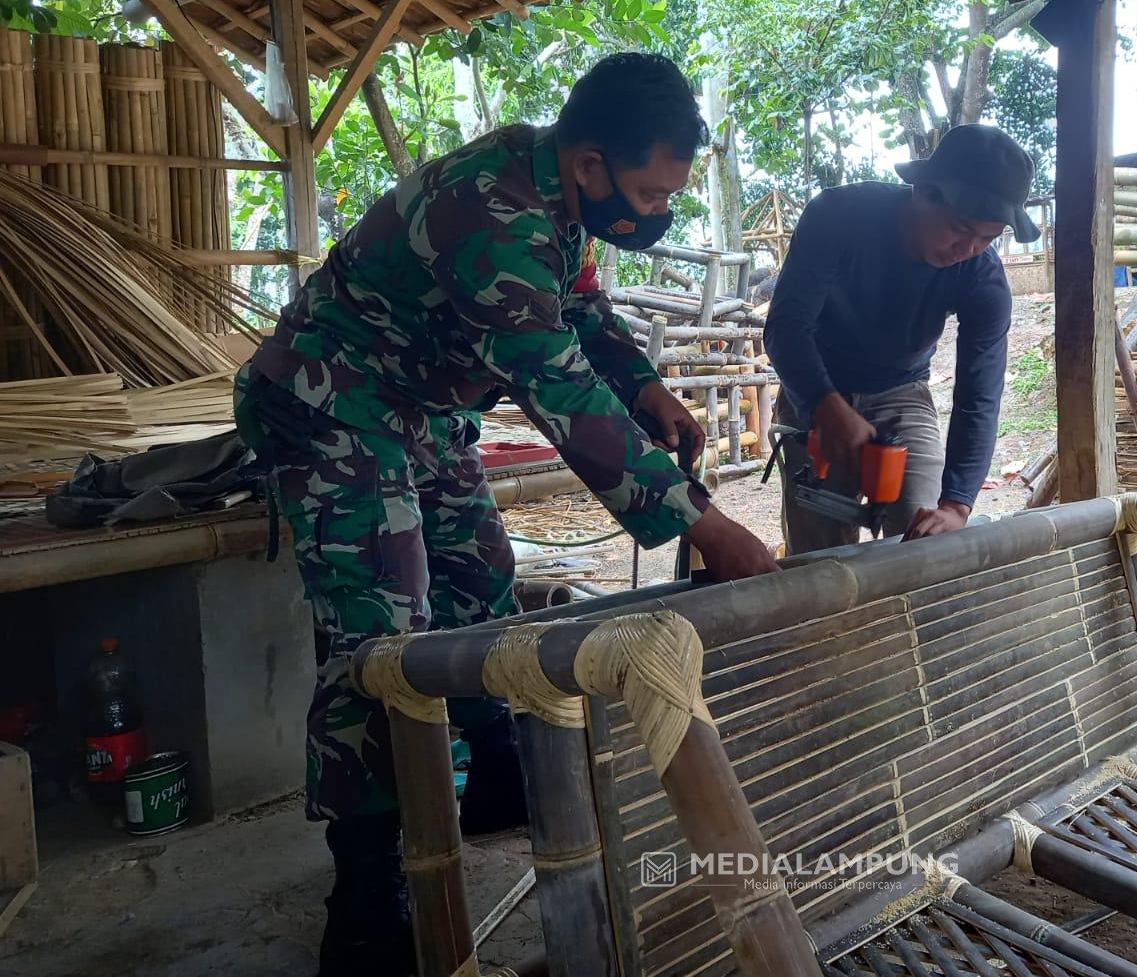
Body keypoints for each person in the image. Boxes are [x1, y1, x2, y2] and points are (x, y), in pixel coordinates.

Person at [233, 53, 773, 974]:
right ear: (592, 163)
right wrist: (704, 524)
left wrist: (644, 386)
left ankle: (489, 782)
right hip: (333, 404)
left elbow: (586, 316)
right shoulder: (488, 213)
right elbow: (556, 385)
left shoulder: (562, 196)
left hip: (421, 411)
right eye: (646, 194)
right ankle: (365, 896)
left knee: (481, 580)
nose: (655, 213)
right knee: (381, 641)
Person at [763, 123, 1036, 554]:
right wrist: (823, 405)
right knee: (816, 557)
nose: (970, 248)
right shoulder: (839, 217)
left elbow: (978, 393)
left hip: (902, 391)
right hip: (813, 386)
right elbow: (786, 327)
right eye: (961, 229)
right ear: (924, 193)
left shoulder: (983, 280)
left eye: (988, 238)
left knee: (923, 538)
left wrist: (956, 505)